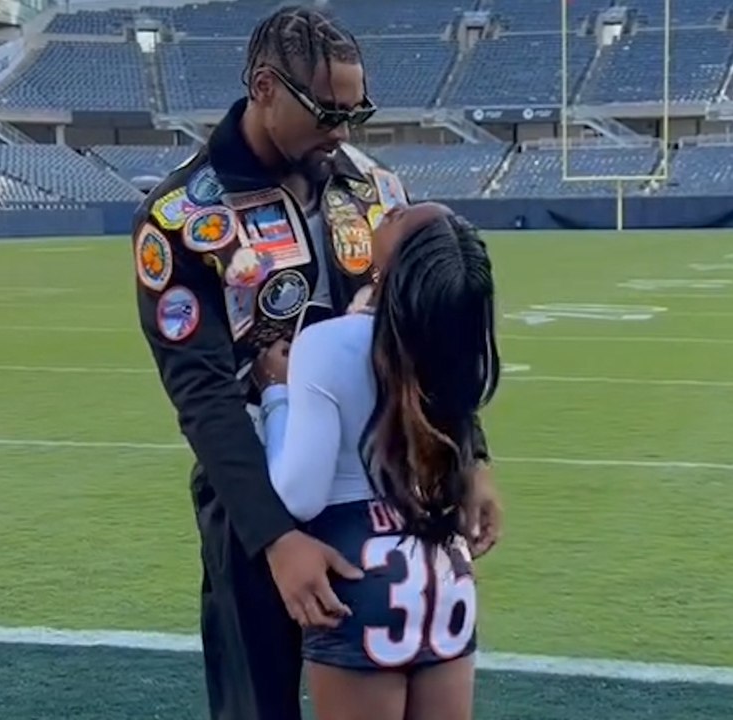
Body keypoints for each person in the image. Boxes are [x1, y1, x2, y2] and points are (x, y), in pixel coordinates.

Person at [130, 6, 503, 720]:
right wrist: (275, 538)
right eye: (327, 112)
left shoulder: (371, 186)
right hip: (259, 495)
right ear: (264, 87)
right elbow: (202, 395)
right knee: (259, 703)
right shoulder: (182, 217)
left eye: (355, 110)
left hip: (387, 477)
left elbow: (429, 333)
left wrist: (470, 456)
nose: (342, 131)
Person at [252, 202, 499, 720]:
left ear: (397, 268)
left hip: (362, 573)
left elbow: (299, 494)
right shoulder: (457, 345)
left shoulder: (327, 344)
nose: (389, 210)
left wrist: (277, 396)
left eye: (398, 219)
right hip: (443, 573)